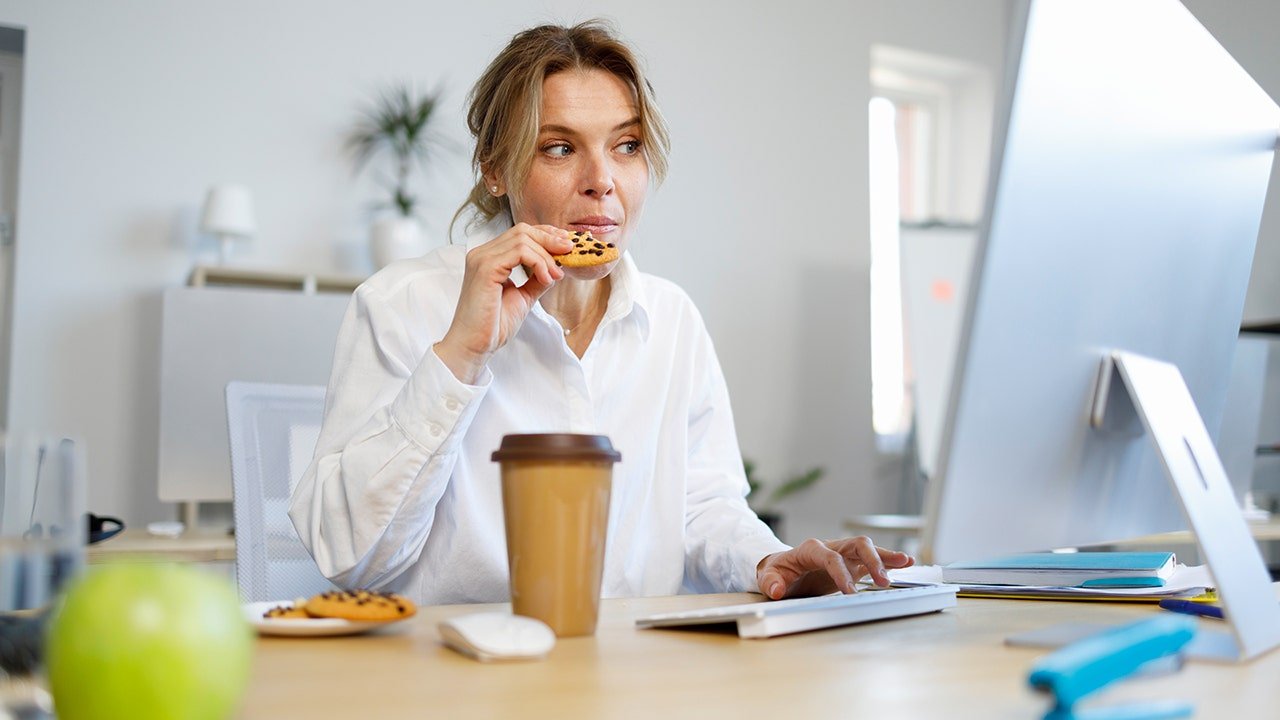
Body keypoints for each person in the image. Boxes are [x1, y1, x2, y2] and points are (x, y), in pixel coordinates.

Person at [289, 20, 913, 605]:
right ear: (494, 169)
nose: (602, 180)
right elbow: (349, 558)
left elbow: (701, 504)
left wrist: (765, 559)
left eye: (627, 146)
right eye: (559, 148)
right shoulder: (401, 305)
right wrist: (459, 357)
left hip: (630, 675)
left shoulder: (672, 319)